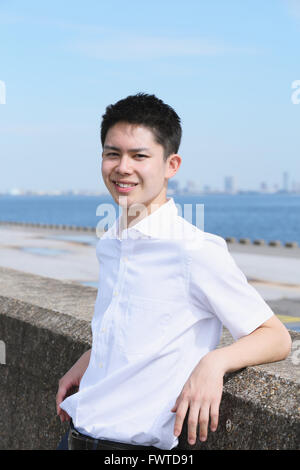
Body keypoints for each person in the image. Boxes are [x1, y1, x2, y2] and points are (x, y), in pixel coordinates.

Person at [56, 93, 291, 450]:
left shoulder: (194, 249)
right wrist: (93, 357)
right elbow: (144, 328)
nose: (122, 167)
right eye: (112, 153)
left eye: (139, 156)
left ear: (171, 165)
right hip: (76, 437)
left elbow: (275, 336)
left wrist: (215, 363)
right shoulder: (111, 243)